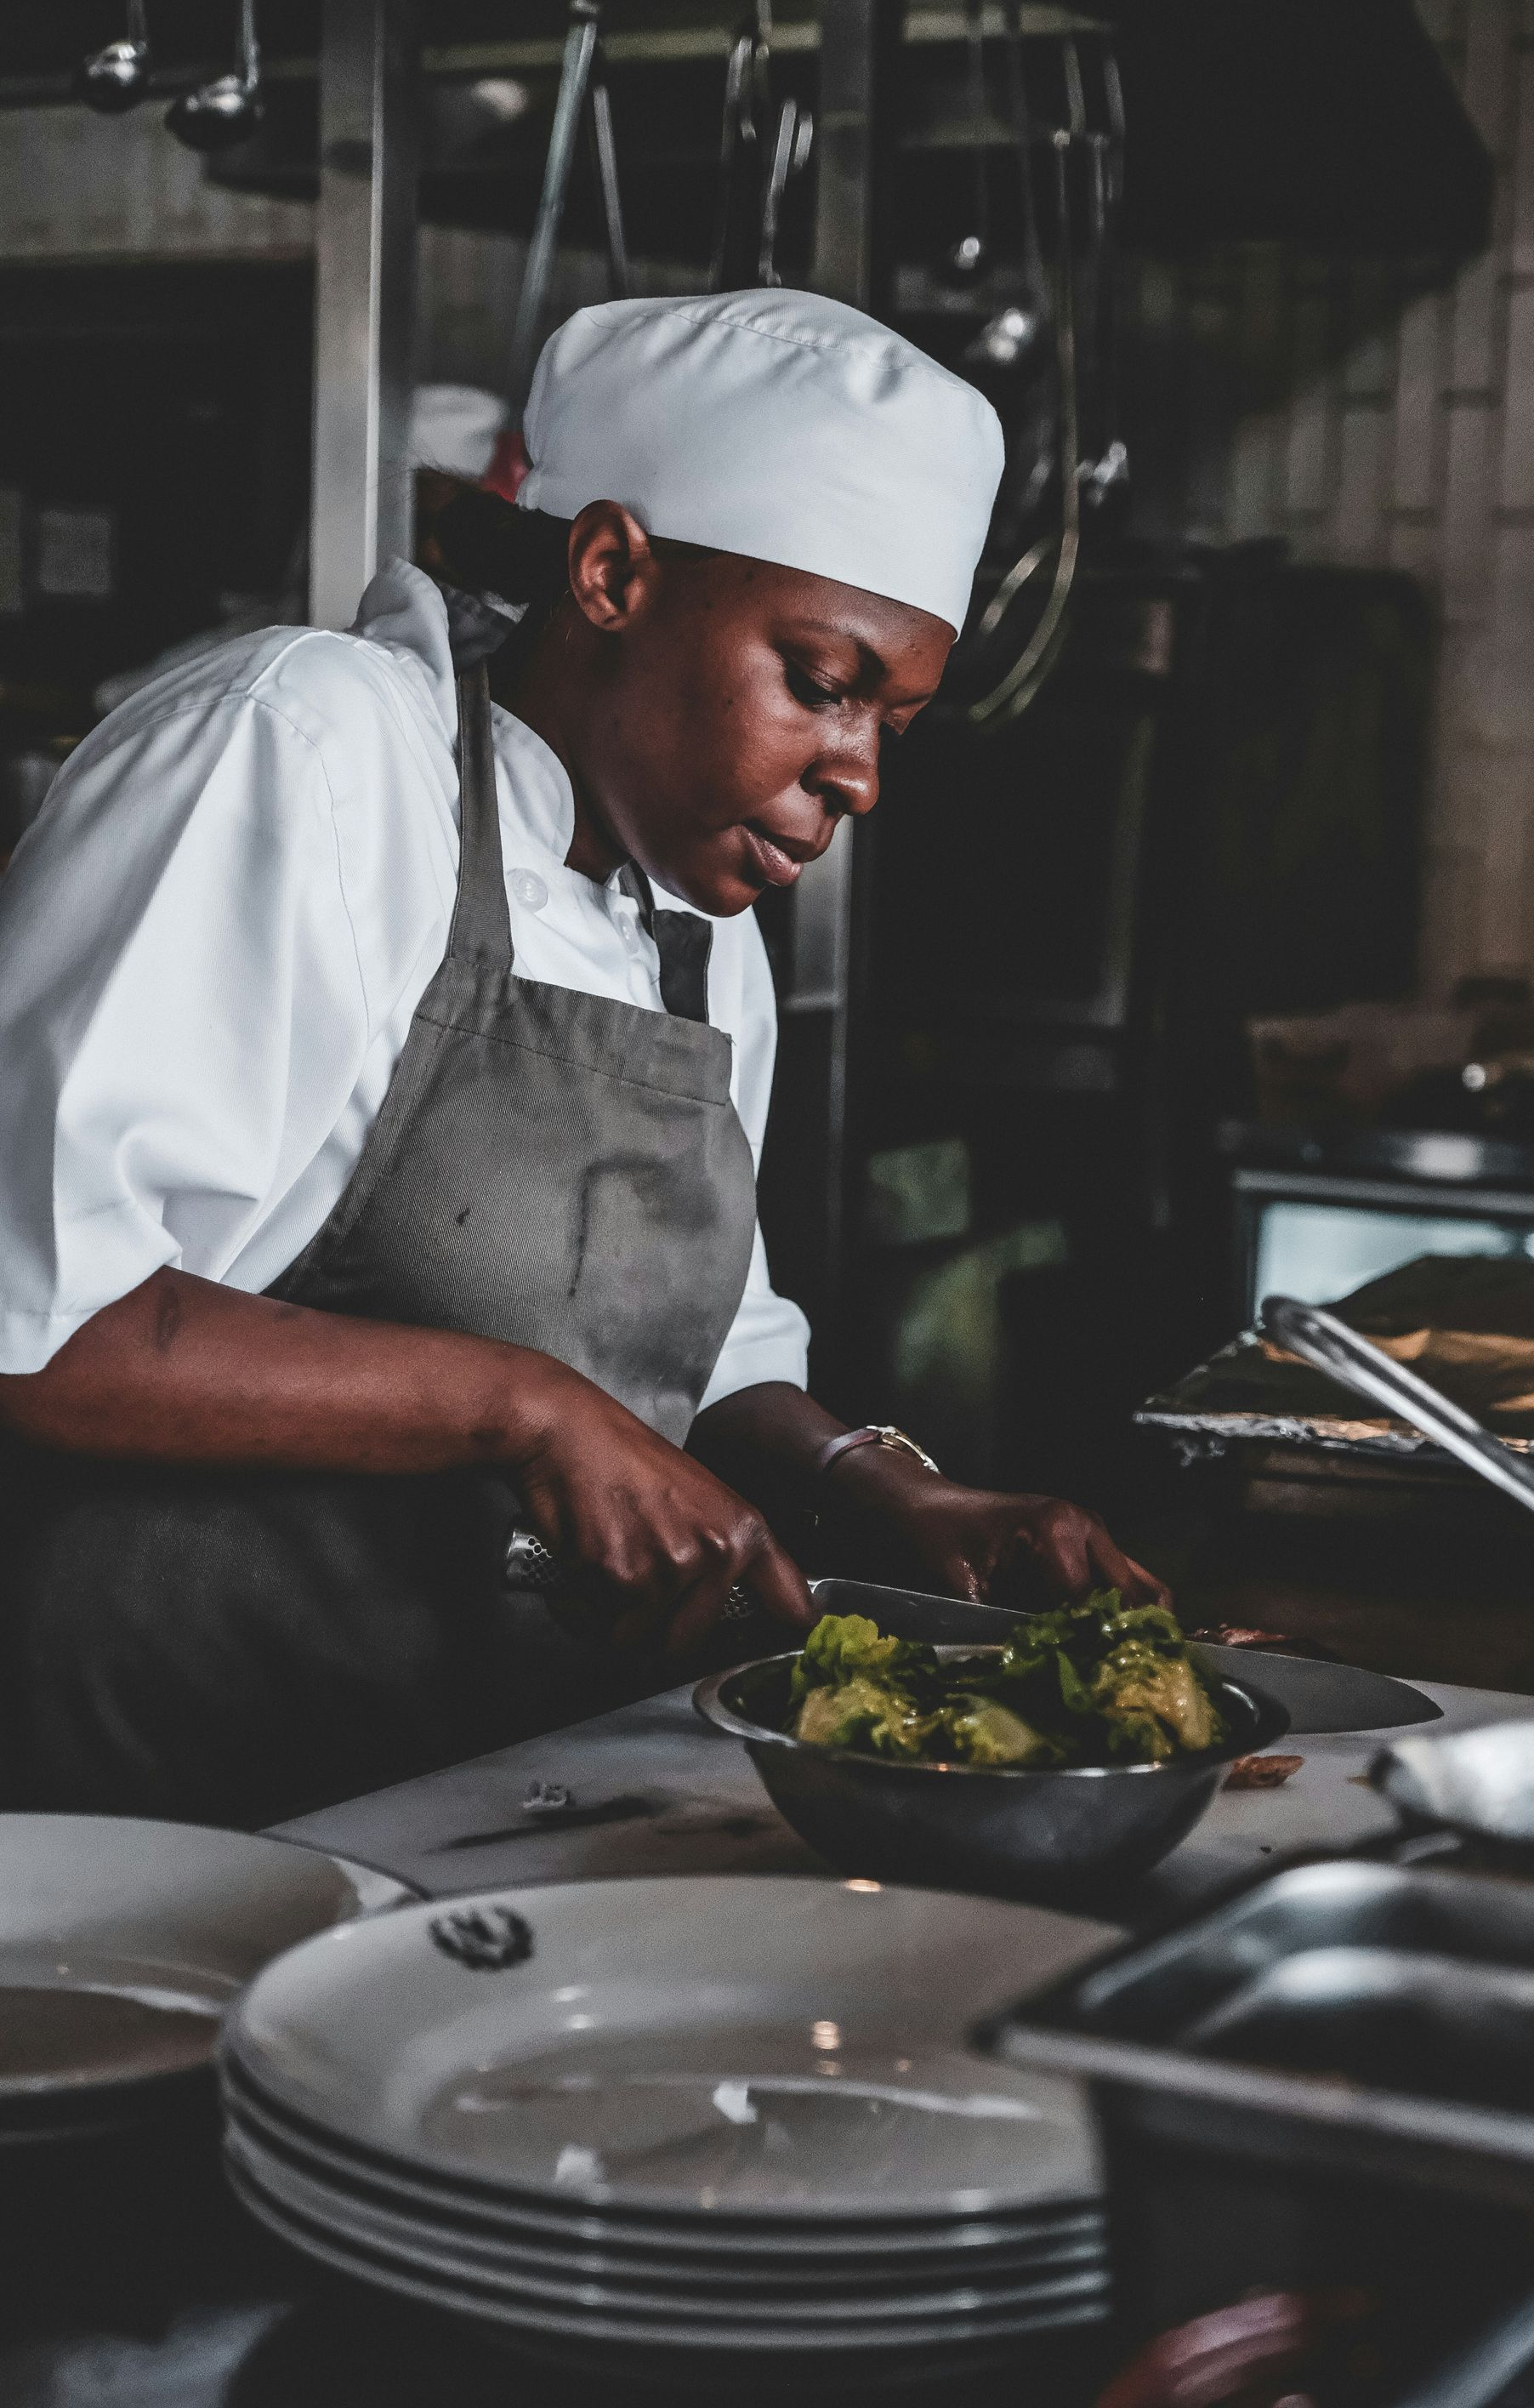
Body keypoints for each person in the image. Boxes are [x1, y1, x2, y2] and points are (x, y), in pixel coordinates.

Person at [0, 290, 1166, 1827]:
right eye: (821, 680)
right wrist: (522, 1405)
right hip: (164, 1806)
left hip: (476, 1794)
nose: (862, 772)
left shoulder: (695, 925)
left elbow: (705, 1345)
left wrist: (880, 1480)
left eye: (896, 718)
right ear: (612, 571)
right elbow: (41, 1314)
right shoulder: (320, 752)